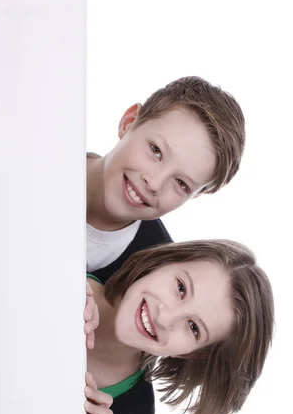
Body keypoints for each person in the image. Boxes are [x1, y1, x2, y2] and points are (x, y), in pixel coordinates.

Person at [85, 239, 274, 414]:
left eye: (194, 328)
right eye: (181, 288)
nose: (165, 317)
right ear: (162, 263)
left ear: (192, 353)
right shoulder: (73, 258)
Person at [86, 76, 246, 284]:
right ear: (128, 122)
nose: (154, 183)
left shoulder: (156, 272)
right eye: (156, 151)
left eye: (181, 183)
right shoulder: (42, 154)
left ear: (194, 196)